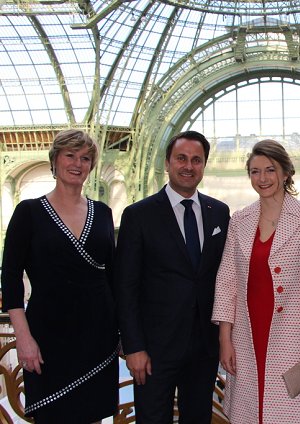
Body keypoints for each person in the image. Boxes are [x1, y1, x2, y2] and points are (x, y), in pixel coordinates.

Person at [212, 139, 300, 423]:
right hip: (247, 333)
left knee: (293, 411)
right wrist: (225, 338)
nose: (262, 178)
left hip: (295, 335)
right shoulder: (239, 220)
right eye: (255, 172)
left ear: (286, 173)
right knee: (250, 409)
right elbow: (227, 280)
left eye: (270, 170)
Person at [1, 129, 119, 423]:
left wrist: (121, 331)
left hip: (98, 334)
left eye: (86, 158)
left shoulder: (103, 212)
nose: (78, 163)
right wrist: (24, 337)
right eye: (70, 155)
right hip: (47, 336)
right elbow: (12, 278)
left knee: (94, 414)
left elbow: (114, 277)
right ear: (54, 160)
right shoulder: (28, 212)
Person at [115, 130, 230, 424]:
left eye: (196, 160)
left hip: (204, 348)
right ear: (167, 163)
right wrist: (134, 347)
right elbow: (125, 287)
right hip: (153, 351)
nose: (188, 166)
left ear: (204, 165)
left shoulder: (219, 213)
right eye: (181, 158)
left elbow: (226, 277)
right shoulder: (138, 215)